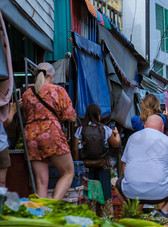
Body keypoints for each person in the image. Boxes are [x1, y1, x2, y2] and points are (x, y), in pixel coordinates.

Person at [115, 115, 168, 217]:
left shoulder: (132, 138)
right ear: (162, 127)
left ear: (145, 126)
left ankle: (130, 212)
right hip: (161, 194)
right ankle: (164, 211)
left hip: (132, 193)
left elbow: (125, 168)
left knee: (117, 184)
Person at [22, 62, 76, 199]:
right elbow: (70, 116)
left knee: (41, 182)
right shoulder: (57, 90)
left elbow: (25, 116)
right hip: (51, 133)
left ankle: (42, 214)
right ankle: (54, 204)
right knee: (68, 172)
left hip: (31, 136)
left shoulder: (26, 94)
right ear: (52, 76)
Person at [73, 104, 120, 215]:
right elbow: (116, 144)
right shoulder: (105, 129)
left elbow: (75, 150)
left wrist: (77, 165)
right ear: (98, 115)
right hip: (102, 164)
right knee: (105, 190)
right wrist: (117, 134)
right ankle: (106, 215)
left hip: (86, 166)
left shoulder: (80, 130)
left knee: (89, 191)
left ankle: (91, 214)